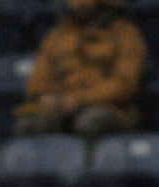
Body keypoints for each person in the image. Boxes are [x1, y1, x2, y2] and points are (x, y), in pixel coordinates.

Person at [13, 0, 146, 138]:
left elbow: (125, 84)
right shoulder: (58, 35)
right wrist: (43, 96)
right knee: (29, 124)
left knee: (90, 122)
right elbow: (39, 77)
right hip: (61, 104)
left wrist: (79, 100)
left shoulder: (126, 34)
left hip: (107, 107)